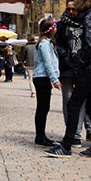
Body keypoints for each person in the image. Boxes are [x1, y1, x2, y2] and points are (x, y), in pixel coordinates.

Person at [46, 0, 91, 158]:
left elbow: (89, 44)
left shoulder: (89, 18)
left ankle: (67, 145)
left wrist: (81, 61)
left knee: (74, 103)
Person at [55, 0, 91, 147]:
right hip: (67, 66)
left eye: (73, 9)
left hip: (82, 65)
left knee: (81, 100)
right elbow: (58, 43)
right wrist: (65, 58)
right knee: (68, 99)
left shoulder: (85, 22)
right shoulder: (61, 24)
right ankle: (71, 132)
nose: (71, 12)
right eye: (68, 9)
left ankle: (79, 131)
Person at [32, 17, 61, 147]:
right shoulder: (44, 44)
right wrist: (55, 80)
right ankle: (40, 136)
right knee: (43, 108)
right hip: (42, 77)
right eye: (54, 27)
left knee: (44, 107)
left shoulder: (46, 43)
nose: (56, 29)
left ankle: (41, 135)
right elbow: (48, 63)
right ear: (50, 30)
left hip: (43, 78)